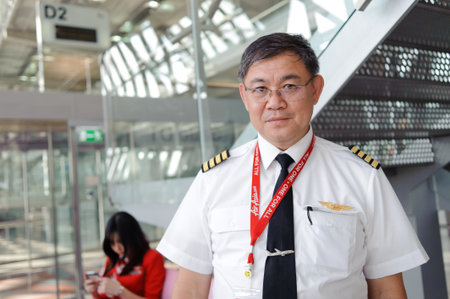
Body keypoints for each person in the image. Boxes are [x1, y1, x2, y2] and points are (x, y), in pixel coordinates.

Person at [156, 32, 429, 299]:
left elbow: (386, 289)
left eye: (290, 86)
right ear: (244, 96)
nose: (275, 102)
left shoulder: (361, 176)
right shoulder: (213, 179)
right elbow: (191, 287)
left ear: (316, 89)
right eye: (260, 89)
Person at [85, 211, 165, 299]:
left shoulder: (152, 257)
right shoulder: (112, 259)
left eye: (121, 242)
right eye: (112, 243)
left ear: (133, 238)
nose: (117, 248)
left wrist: (120, 291)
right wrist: (94, 292)